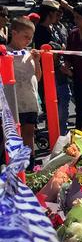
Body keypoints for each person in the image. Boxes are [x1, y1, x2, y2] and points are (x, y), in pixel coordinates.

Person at [7, 17, 41, 167]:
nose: (28, 40)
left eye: (31, 37)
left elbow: (37, 77)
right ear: (14, 33)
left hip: (30, 101)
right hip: (13, 103)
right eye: (25, 36)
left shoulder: (29, 54)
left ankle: (30, 165)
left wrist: (37, 61)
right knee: (14, 135)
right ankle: (15, 166)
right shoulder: (4, 54)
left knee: (29, 133)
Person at [34, 0, 71, 135]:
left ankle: (61, 135)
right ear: (49, 13)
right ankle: (55, 137)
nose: (58, 15)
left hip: (61, 74)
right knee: (53, 108)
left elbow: (62, 46)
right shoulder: (39, 31)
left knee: (63, 105)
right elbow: (48, 51)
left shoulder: (55, 28)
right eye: (56, 13)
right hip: (48, 75)